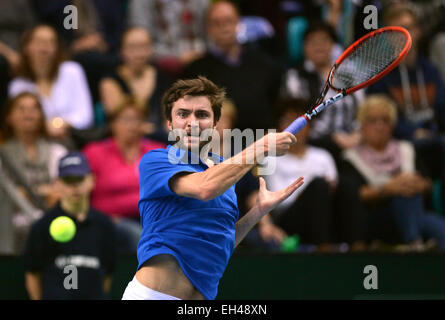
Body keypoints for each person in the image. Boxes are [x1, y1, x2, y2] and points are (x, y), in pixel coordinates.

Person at [121, 77, 303, 300]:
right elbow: (205, 187)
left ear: (215, 124)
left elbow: (221, 243)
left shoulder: (224, 174)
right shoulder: (156, 160)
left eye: (202, 114)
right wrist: (262, 145)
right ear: (169, 124)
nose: (192, 122)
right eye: (182, 114)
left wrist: (257, 212)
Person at [342, 94, 445, 251]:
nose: (380, 126)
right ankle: (414, 244)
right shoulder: (351, 157)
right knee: (404, 195)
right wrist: (390, 188)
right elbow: (356, 195)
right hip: (376, 219)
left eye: (385, 120)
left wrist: (417, 184)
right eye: (372, 120)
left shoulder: (406, 149)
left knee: (438, 227)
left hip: (415, 212)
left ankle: (415, 244)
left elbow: (428, 183)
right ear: (362, 125)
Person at [367, 3, 445, 190]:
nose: (403, 35)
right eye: (396, 30)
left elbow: (442, 109)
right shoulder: (381, 76)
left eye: (408, 28)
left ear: (418, 31)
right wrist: (411, 132)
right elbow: (381, 121)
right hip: (401, 146)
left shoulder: (429, 71)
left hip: (435, 141)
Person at [23, 152, 118, 299]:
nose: (75, 185)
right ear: (57, 184)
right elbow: (32, 273)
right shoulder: (42, 226)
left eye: (79, 178)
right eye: (68, 180)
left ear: (92, 180)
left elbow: (108, 274)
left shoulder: (105, 225)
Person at [181, 0, 283, 132]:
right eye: (217, 23)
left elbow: (275, 106)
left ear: (238, 23)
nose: (224, 27)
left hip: (261, 140)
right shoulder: (195, 70)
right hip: (215, 144)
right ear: (208, 29)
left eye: (228, 21)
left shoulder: (265, 65)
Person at [83, 96, 166, 254]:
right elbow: (82, 187)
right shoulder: (95, 152)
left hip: (153, 219)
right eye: (126, 120)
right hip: (111, 221)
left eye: (137, 119)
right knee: (139, 236)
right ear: (113, 124)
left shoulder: (158, 151)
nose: (132, 125)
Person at [280, 21, 363, 162]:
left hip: (353, 141)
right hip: (315, 142)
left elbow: (362, 109)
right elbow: (296, 115)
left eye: (324, 40)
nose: (319, 46)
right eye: (313, 41)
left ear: (333, 45)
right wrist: (333, 137)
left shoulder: (348, 75)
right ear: (304, 47)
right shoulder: (296, 76)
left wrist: (358, 134)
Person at [264, 98, 339, 252]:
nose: (296, 127)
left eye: (300, 122)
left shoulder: (323, 156)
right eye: (289, 121)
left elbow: (335, 190)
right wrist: (310, 192)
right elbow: (278, 198)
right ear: (279, 127)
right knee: (318, 186)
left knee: (347, 187)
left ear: (309, 126)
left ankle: (358, 247)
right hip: (287, 218)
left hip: (324, 212)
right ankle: (323, 250)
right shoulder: (269, 158)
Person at [0, 92, 68, 254]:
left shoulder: (57, 151)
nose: (28, 114)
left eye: (34, 108)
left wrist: (30, 192)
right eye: (21, 109)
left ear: (41, 116)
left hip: (51, 225)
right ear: (9, 117)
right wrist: (43, 190)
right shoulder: (2, 155)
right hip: (8, 226)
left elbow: (60, 194)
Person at [8, 24, 94, 141]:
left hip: (75, 138)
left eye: (51, 42)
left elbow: (85, 115)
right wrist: (46, 128)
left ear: (57, 48)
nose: (44, 47)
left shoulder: (72, 70)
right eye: (39, 42)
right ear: (27, 47)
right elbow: (19, 122)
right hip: (38, 141)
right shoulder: (18, 85)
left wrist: (59, 124)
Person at [99, 27, 171, 134]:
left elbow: (169, 118)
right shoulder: (110, 81)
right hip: (123, 140)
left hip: (159, 140)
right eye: (132, 48)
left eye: (144, 47)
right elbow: (118, 121)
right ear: (121, 50)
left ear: (151, 49)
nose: (139, 53)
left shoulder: (163, 78)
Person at [127, 0, 209, 77]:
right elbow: (140, 41)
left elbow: (210, 33)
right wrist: (178, 57)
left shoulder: (200, 2)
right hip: (160, 63)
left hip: (201, 56)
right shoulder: (141, 3)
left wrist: (202, 51)